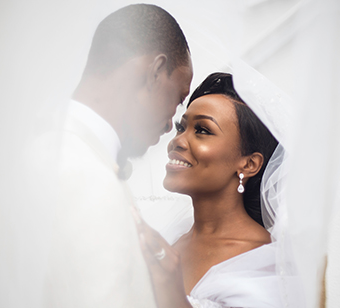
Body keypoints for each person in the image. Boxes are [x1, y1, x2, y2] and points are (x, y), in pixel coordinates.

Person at [33, 4, 193, 307]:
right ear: (155, 72)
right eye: (178, 97)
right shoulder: (85, 175)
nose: (173, 120)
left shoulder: (55, 148)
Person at [132, 72, 287, 308]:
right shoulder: (170, 237)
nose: (178, 141)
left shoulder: (265, 263)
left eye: (202, 130)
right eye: (181, 127)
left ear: (249, 164)